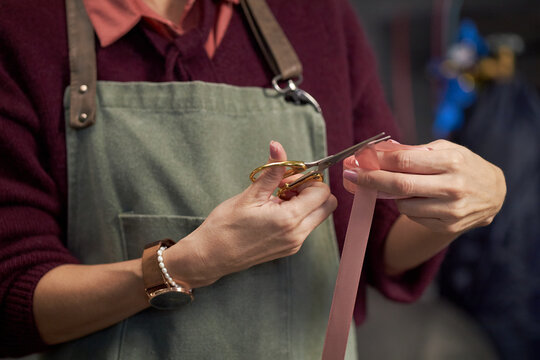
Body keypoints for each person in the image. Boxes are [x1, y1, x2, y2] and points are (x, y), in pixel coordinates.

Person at [0, 0, 506, 358]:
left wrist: (461, 205)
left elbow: (379, 244)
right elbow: (13, 299)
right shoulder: (22, 25)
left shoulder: (316, 14)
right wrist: (191, 264)